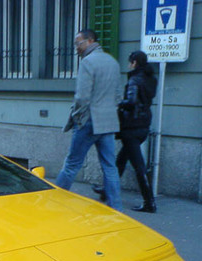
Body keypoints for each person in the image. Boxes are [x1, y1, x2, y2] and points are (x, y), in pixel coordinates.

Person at [55, 29, 123, 210]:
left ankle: (53, 203)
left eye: (79, 43)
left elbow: (82, 97)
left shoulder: (88, 62)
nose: (77, 47)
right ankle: (116, 208)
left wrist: (77, 117)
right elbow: (118, 96)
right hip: (108, 120)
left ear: (90, 41)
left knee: (71, 164)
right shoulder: (112, 62)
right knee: (110, 166)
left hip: (88, 120)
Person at [94, 50, 157, 212]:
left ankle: (149, 202)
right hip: (143, 125)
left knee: (138, 166)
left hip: (132, 127)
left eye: (130, 62)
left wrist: (117, 103)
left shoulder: (135, 80)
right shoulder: (151, 79)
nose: (129, 65)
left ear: (134, 63)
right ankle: (107, 190)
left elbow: (131, 102)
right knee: (121, 160)